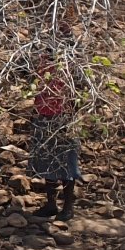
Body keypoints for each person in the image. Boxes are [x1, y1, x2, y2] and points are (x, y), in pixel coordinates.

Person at [29, 64, 81, 218]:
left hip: (63, 117)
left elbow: (79, 90)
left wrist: (72, 115)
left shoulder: (68, 60)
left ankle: (68, 207)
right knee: (46, 161)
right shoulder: (41, 58)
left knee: (66, 163)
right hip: (44, 115)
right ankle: (51, 204)